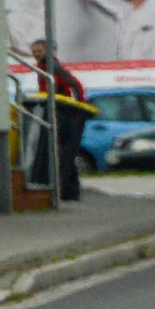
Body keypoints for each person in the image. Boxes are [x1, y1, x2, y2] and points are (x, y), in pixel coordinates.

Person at [24, 39, 96, 200]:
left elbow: (75, 84)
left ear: (47, 51)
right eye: (34, 51)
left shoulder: (53, 66)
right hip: (54, 111)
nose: (36, 54)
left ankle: (70, 189)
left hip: (62, 113)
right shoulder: (43, 67)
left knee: (63, 154)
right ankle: (69, 189)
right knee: (65, 154)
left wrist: (79, 105)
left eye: (39, 51)